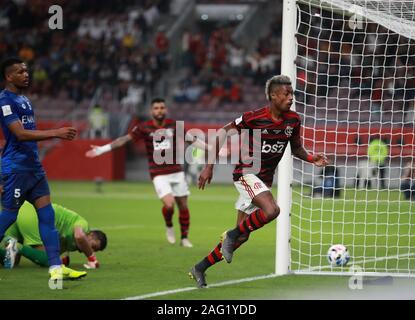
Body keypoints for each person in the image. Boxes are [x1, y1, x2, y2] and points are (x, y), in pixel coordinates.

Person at [189, 75, 328, 288]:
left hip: (263, 181)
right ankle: (230, 235)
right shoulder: (254, 117)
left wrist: (311, 157)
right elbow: (222, 133)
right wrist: (209, 166)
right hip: (246, 174)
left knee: (242, 238)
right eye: (286, 94)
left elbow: (296, 147)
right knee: (272, 210)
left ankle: (199, 268)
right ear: (273, 95)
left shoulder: (293, 120)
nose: (291, 97)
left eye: (292, 93)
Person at [0, 57, 86, 281]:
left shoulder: (25, 100)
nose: (26, 74)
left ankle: (56, 268)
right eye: (20, 72)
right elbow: (20, 134)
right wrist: (55, 133)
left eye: (27, 71)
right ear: (9, 76)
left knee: (46, 216)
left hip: (34, 169)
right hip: (16, 169)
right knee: (8, 216)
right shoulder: (5, 101)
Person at [86, 98, 208, 248]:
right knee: (169, 205)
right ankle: (169, 226)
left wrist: (211, 148)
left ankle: (184, 238)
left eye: (162, 107)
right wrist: (102, 149)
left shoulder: (174, 125)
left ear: (166, 110)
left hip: (176, 171)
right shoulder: (143, 127)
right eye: (156, 108)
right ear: (151, 111)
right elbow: (124, 139)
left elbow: (191, 140)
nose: (159, 110)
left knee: (183, 205)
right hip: (158, 173)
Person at [1, 201, 107, 269]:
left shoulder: (70, 245)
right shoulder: (84, 225)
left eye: (93, 250)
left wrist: (62, 260)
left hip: (22, 211)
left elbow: (52, 252)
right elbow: (79, 236)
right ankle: (15, 245)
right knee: (49, 261)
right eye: (93, 246)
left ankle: (9, 243)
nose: (90, 249)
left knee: (11, 261)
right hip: (34, 215)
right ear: (90, 234)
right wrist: (91, 258)